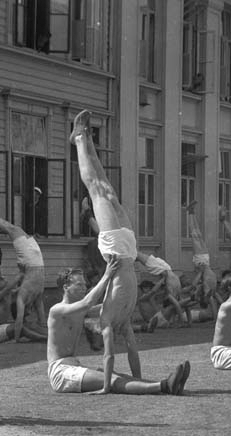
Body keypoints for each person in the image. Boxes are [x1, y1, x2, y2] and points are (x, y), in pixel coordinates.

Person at [70, 109, 142, 378]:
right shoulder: (121, 323)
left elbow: (109, 353)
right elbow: (129, 352)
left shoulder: (107, 319)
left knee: (96, 189)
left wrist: (107, 386)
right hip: (128, 251)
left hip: (116, 250)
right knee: (108, 189)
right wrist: (137, 380)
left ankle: (79, 140)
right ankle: (86, 138)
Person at [46, 263, 189, 395]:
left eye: (84, 284)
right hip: (60, 372)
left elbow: (106, 307)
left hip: (74, 365)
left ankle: (168, 384)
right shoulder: (57, 310)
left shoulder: (78, 310)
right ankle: (164, 385)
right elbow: (87, 303)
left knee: (116, 375)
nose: (84, 287)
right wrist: (107, 275)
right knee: (112, 379)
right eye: (79, 284)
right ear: (66, 287)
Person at [0, 197, 48, 343]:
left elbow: (12, 290)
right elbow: (9, 290)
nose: (4, 282)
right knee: (13, 229)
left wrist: (20, 277)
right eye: (2, 282)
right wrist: (19, 277)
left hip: (33, 266)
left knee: (16, 230)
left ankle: (45, 335)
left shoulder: (9, 296)